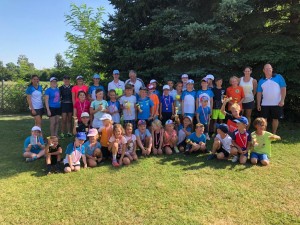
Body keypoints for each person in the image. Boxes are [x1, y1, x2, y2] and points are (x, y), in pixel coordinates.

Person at [257, 64, 286, 134]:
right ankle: (264, 134)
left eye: (269, 68)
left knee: (275, 119)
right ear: (263, 70)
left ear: (272, 69)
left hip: (277, 103)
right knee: (263, 120)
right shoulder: (261, 80)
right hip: (264, 104)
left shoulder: (279, 77)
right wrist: (258, 104)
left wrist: (282, 100)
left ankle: (274, 133)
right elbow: (259, 93)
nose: (268, 70)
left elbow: (283, 89)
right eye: (266, 69)